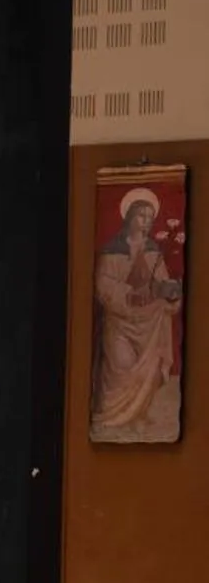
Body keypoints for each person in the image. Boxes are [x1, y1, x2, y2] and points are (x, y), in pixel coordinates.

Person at [91, 185, 183, 442]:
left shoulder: (154, 251)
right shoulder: (112, 251)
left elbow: (162, 284)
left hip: (149, 325)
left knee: (149, 368)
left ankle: (138, 416)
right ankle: (112, 417)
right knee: (122, 364)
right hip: (119, 324)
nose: (146, 221)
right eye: (141, 215)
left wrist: (170, 292)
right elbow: (102, 286)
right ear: (129, 216)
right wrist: (129, 295)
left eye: (150, 217)